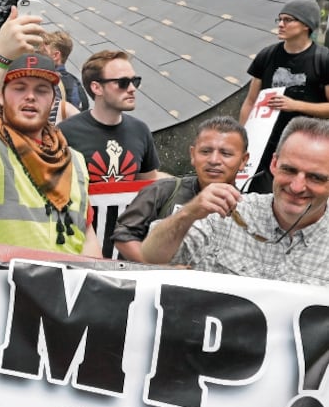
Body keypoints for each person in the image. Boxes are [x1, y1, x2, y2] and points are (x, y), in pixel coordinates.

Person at [0, 9, 100, 256]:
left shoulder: (76, 160)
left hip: (61, 292)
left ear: (53, 100)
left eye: (41, 90)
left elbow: (86, 235)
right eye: (19, 87)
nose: (30, 96)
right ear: (0, 96)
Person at [141, 117, 329, 285]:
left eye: (315, 178)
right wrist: (188, 213)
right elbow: (150, 256)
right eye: (289, 170)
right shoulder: (229, 212)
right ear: (274, 164)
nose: (297, 187)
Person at [113, 116, 249, 263]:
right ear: (192, 154)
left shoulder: (254, 210)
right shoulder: (162, 191)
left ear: (243, 160)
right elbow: (123, 236)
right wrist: (162, 270)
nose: (214, 160)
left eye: (226, 153)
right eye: (205, 151)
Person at [238, 0, 329, 194]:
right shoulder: (267, 55)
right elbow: (251, 101)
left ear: (306, 25)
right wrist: (243, 137)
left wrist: (295, 105)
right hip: (264, 145)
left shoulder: (322, 59)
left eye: (288, 20)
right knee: (254, 197)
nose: (281, 24)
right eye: (279, 19)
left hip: (306, 147)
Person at [59, 50, 163, 184]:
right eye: (123, 82)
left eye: (134, 81)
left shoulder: (140, 130)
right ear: (97, 88)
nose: (132, 88)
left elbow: (149, 186)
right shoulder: (65, 133)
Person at [42, 30, 87, 111]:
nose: (39, 55)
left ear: (55, 55)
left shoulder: (49, 81)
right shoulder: (74, 81)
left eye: (44, 52)